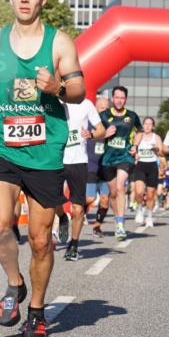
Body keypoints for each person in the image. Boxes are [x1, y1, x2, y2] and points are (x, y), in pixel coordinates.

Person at [0, 0, 86, 337]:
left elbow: (80, 90)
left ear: (43, 0)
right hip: (1, 145)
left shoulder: (59, 42)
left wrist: (57, 87)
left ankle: (36, 311)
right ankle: (14, 282)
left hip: (44, 151)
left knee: (40, 241)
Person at [59, 96, 105, 260]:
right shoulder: (53, 101)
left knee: (78, 209)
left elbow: (101, 130)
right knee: (53, 203)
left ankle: (74, 245)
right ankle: (62, 217)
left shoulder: (86, 104)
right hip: (54, 160)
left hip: (78, 161)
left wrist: (92, 134)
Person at [99, 86, 142, 240]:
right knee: (113, 193)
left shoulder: (132, 116)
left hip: (125, 157)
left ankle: (120, 224)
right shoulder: (103, 115)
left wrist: (135, 145)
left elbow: (140, 131)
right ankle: (117, 218)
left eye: (122, 98)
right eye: (116, 97)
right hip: (108, 158)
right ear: (112, 98)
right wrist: (104, 134)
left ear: (126, 99)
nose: (119, 100)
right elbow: (95, 134)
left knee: (120, 186)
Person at [131, 116, 164, 229]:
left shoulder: (157, 137)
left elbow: (160, 153)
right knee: (139, 192)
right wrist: (135, 154)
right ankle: (140, 208)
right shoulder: (139, 136)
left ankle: (149, 216)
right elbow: (133, 148)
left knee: (150, 195)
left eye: (150, 124)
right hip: (140, 165)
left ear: (153, 126)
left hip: (152, 166)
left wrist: (156, 149)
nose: (147, 126)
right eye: (145, 124)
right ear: (143, 125)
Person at [85, 96, 111, 238]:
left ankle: (97, 226)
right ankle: (80, 210)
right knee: (89, 198)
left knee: (105, 199)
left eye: (106, 108)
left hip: (106, 167)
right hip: (91, 165)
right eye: (101, 108)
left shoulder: (112, 125)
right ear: (95, 108)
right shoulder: (88, 123)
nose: (104, 111)